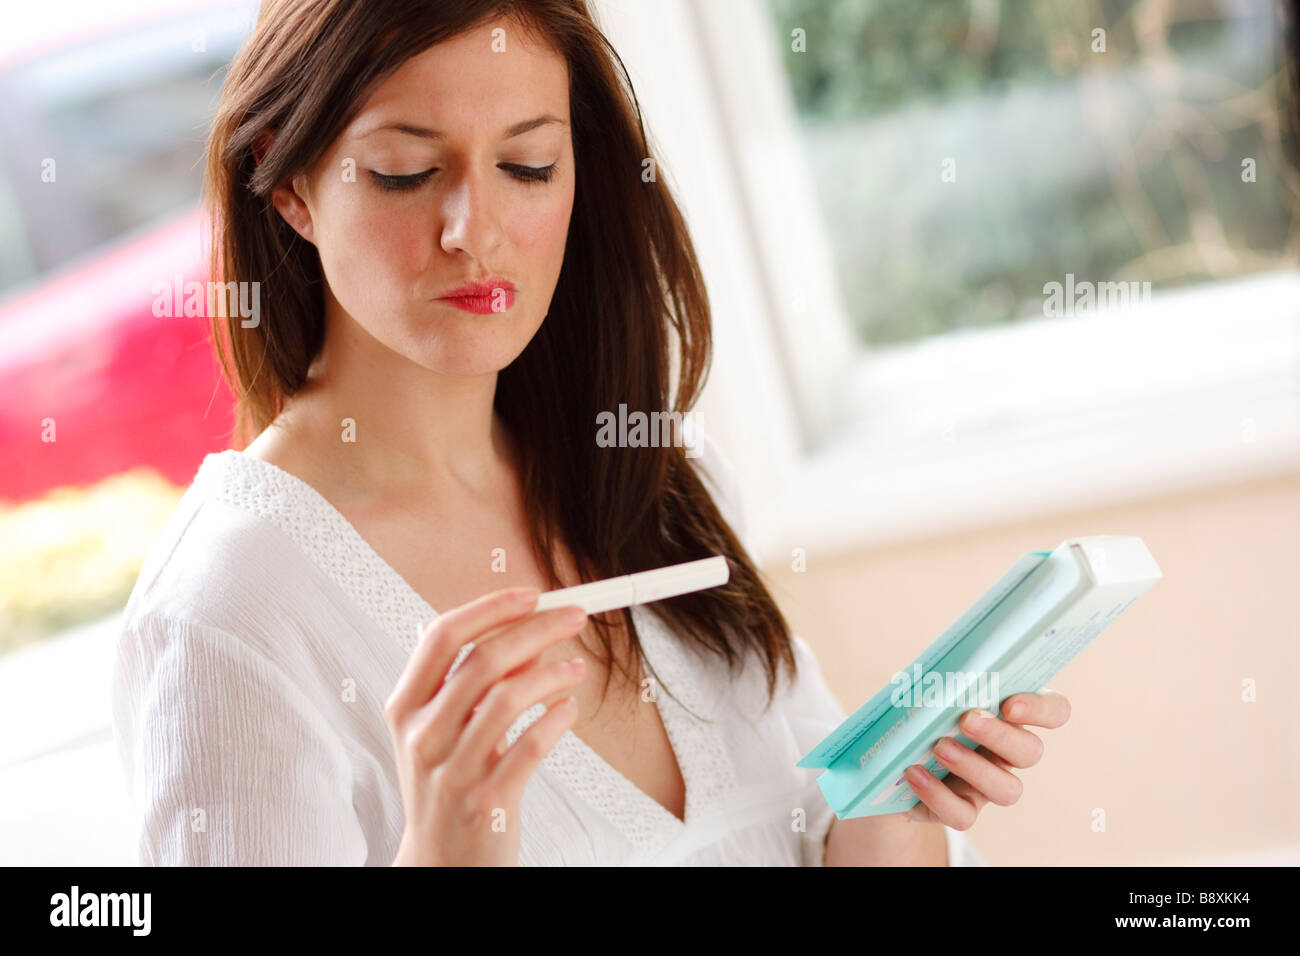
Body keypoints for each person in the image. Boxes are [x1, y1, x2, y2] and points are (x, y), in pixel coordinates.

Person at [112, 0, 1066, 866]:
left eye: (528, 165)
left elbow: (809, 840)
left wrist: (897, 806)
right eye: (405, 171)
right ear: (289, 186)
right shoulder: (231, 611)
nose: (472, 230)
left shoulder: (662, 482)